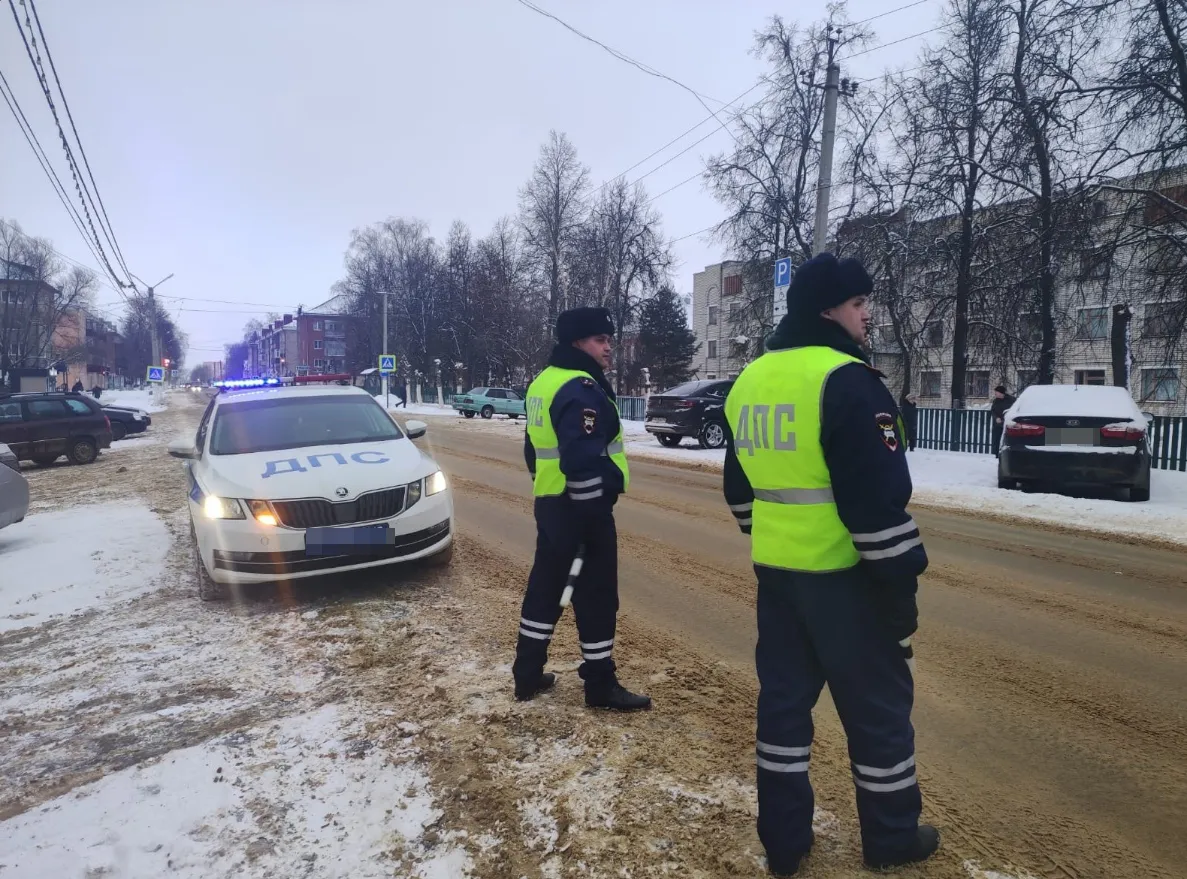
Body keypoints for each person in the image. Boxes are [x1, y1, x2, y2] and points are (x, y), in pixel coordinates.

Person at [723, 253, 938, 875]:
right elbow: (875, 504)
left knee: (784, 710)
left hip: (779, 579)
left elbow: (740, 492)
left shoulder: (752, 381)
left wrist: (775, 540)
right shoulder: (847, 381)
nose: (867, 314)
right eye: (858, 304)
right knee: (878, 713)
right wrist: (900, 590)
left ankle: (785, 842)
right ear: (827, 311)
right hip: (848, 582)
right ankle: (892, 837)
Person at [513, 306, 651, 712]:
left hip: (552, 504)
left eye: (609, 339)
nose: (609, 347)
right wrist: (592, 517)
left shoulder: (543, 382)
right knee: (596, 596)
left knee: (545, 588)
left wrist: (548, 493)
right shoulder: (581, 388)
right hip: (582, 509)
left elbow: (532, 451)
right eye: (600, 340)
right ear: (578, 344)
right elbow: (582, 460)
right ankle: (600, 685)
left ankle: (527, 674)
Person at [990, 385, 1016, 457]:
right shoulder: (996, 401)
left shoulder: (1012, 400)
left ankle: (1007, 455)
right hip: (997, 424)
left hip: (1007, 424)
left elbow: (1014, 411)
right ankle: (995, 455)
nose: (995, 394)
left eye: (996, 392)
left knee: (1007, 440)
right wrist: (996, 418)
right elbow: (993, 411)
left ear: (1001, 393)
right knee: (996, 440)